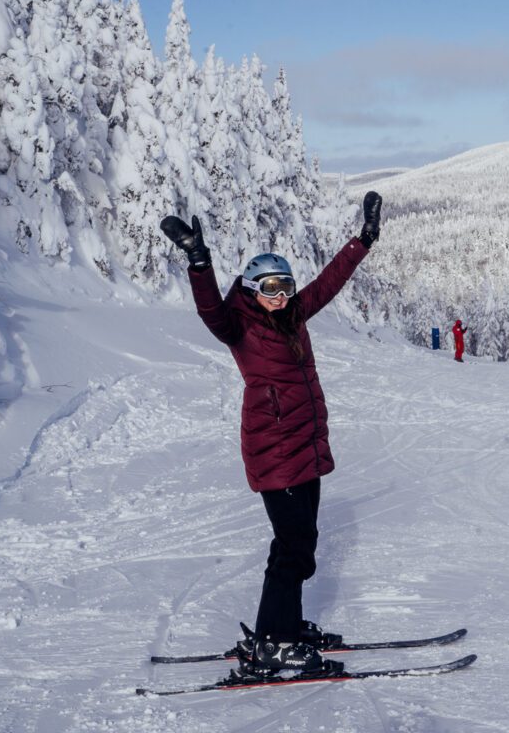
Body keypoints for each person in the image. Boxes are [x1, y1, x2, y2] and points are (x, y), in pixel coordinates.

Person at [158, 190, 382, 678]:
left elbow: (328, 283)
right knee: (294, 545)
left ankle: (280, 626)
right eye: (270, 288)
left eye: (285, 287)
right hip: (274, 451)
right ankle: (273, 644)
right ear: (252, 288)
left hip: (305, 447)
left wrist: (362, 241)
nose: (280, 297)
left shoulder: (294, 315)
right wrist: (199, 261)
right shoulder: (238, 326)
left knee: (296, 544)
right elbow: (209, 310)